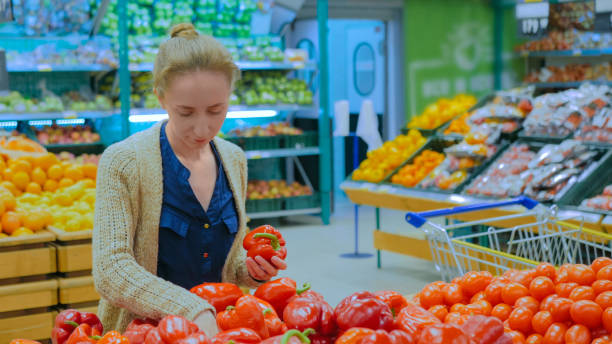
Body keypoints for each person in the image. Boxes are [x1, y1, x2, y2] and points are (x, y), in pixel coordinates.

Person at [92, 23, 287, 337]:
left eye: (215, 110)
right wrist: (190, 309)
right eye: (185, 112)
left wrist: (251, 271)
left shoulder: (233, 159)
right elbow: (110, 270)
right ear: (160, 98)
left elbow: (229, 256)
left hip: (219, 332)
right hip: (143, 334)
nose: (202, 128)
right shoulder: (124, 162)